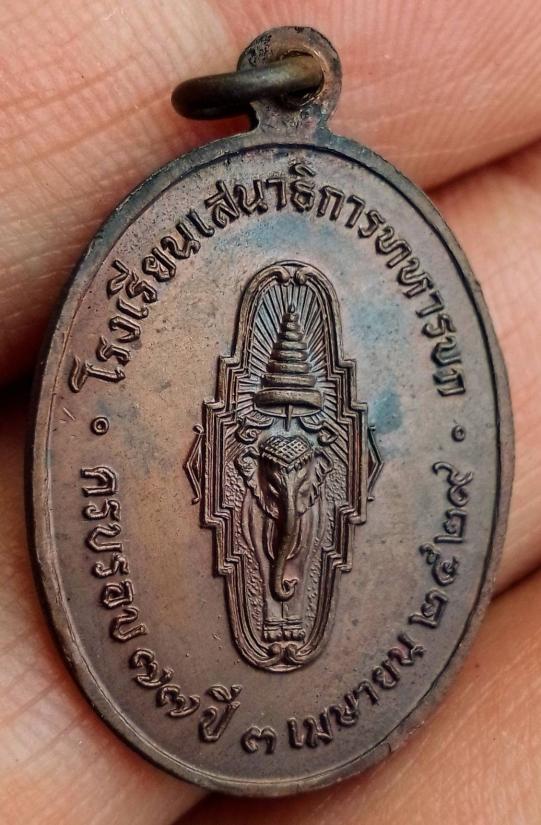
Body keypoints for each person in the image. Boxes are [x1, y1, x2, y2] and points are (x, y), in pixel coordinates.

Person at [1, 1, 540, 822]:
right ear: (216, 463)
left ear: (351, 463)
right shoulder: (234, 466)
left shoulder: (330, 467)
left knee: (291, 540)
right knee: (280, 535)